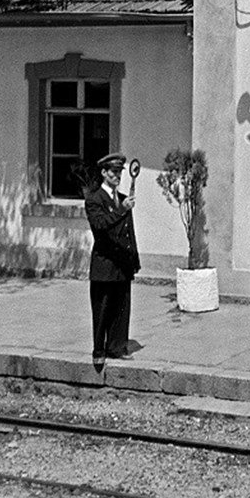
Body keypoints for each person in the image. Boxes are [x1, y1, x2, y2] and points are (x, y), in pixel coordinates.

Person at [85, 152, 141, 369]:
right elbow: (100, 226)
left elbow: (128, 232)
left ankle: (117, 347)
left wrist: (134, 258)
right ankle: (99, 351)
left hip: (122, 263)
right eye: (113, 172)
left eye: (119, 172)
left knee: (121, 308)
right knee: (102, 309)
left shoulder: (122, 198)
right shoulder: (94, 199)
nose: (117, 176)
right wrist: (121, 209)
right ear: (103, 173)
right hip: (104, 263)